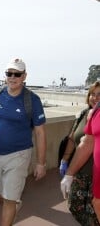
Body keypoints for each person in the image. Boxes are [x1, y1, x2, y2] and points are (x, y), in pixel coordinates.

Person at [0, 58, 47, 226]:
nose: (12, 77)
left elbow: (40, 133)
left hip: (19, 155)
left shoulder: (32, 100)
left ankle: (12, 203)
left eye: (17, 74)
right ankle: (15, 202)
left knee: (9, 199)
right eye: (9, 73)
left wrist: (41, 163)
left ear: (24, 76)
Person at [59, 81, 100, 225]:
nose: (95, 98)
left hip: (94, 173)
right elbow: (77, 140)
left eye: (99, 94)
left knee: (93, 208)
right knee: (76, 205)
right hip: (81, 172)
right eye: (92, 94)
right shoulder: (86, 114)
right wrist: (66, 165)